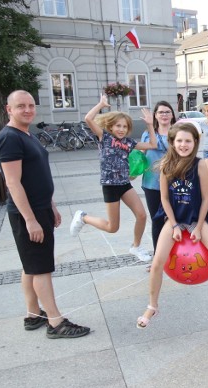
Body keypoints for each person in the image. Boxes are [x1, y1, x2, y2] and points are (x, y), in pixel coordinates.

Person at [137, 122, 208, 327]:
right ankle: (152, 306)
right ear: (172, 142)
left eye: (188, 141)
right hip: (174, 219)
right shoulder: (166, 165)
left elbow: (206, 198)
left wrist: (199, 227)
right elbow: (164, 198)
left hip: (196, 218)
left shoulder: (200, 164)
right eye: (179, 141)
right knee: (157, 263)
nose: (183, 145)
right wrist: (173, 226)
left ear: (195, 143)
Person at [0, 90, 90, 338]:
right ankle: (55, 322)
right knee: (40, 268)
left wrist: (52, 205)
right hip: (29, 213)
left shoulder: (27, 134)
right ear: (9, 109)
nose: (27, 110)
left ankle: (32, 314)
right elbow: (13, 183)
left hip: (41, 208)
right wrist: (30, 220)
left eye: (30, 105)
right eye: (20, 106)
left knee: (31, 266)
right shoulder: (9, 138)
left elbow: (38, 175)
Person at [70, 94, 157, 263]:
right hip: (110, 186)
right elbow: (88, 118)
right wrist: (100, 104)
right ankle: (83, 217)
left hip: (124, 184)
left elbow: (152, 145)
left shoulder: (129, 142)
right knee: (112, 227)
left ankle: (136, 246)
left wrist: (150, 125)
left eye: (125, 126)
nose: (121, 129)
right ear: (111, 126)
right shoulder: (105, 137)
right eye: (118, 126)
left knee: (142, 215)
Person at [141, 100, 175, 253]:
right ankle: (158, 257)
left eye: (168, 112)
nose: (164, 115)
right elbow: (141, 155)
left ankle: (176, 254)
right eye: (161, 112)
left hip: (174, 182)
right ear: (155, 115)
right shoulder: (147, 134)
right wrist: (132, 172)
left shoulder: (177, 132)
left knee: (175, 219)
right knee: (157, 220)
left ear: (172, 115)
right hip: (152, 183)